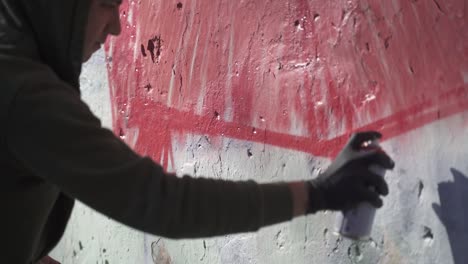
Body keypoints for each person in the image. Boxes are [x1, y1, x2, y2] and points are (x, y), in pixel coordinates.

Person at [0, 0, 395, 263]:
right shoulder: (24, 94)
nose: (116, 28)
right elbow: (160, 203)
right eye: (106, 3)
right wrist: (319, 193)